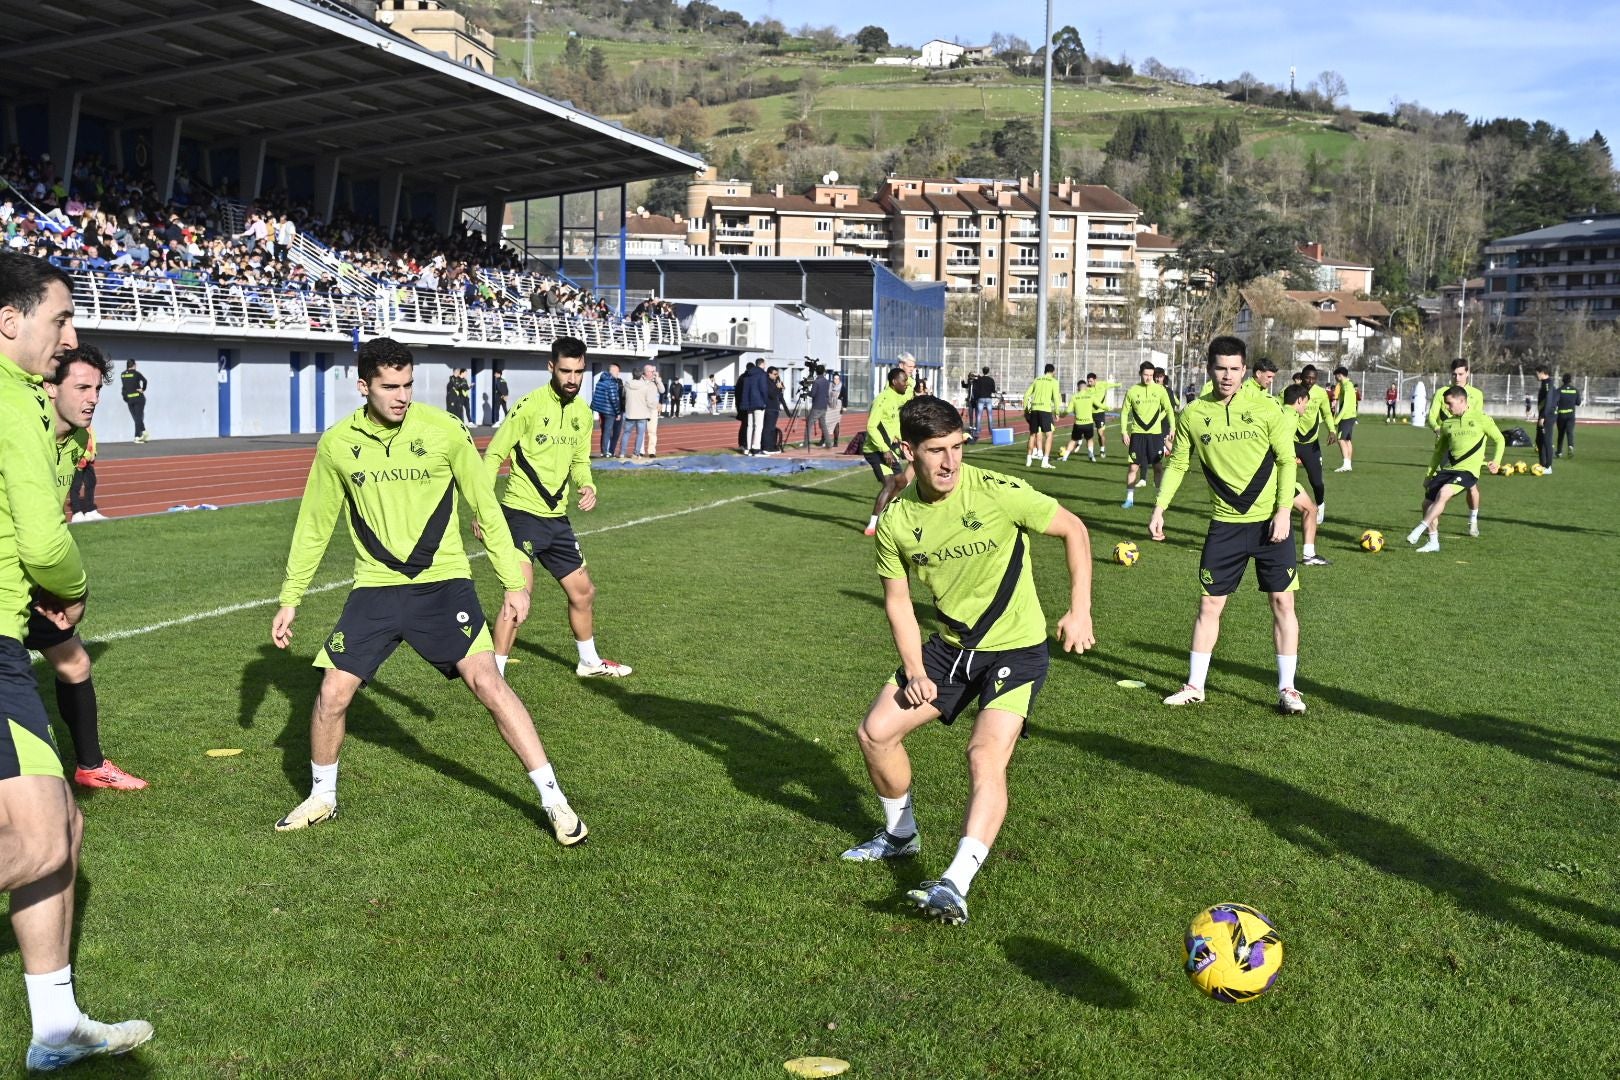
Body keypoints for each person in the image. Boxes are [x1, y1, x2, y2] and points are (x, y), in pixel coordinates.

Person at [269, 336, 588, 845]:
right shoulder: (336, 444)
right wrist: (292, 596)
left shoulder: (443, 431)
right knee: (332, 692)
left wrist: (512, 582)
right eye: (389, 386)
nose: (401, 396)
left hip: (443, 585)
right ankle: (322, 796)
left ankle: (555, 801)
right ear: (363, 386)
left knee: (489, 684)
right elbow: (314, 524)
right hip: (375, 587)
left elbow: (486, 506)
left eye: (409, 385)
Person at [840, 395, 1095, 925]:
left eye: (957, 446)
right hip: (951, 648)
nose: (951, 462)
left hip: (1017, 647)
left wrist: (1080, 610)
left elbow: (1074, 528)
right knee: (875, 732)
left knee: (984, 754)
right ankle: (900, 836)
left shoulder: (996, 492)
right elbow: (897, 602)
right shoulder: (896, 521)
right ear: (909, 451)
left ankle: (955, 882)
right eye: (937, 450)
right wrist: (914, 670)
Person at [0, 252, 153, 1068]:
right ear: (9, 319)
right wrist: (74, 589)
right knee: (43, 841)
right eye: (61, 318)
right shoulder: (13, 400)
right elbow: (43, 538)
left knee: (62, 826)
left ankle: (55, 1027)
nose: (71, 335)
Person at [1148, 336, 1306, 715]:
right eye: (1221, 368)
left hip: (1271, 523)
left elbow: (1287, 461)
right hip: (1225, 525)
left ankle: (1288, 688)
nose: (1228, 376)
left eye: (1235, 369)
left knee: (1283, 602)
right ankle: (1195, 686)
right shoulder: (1193, 415)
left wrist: (1284, 511)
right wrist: (1159, 507)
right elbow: (1179, 464)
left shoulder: (1268, 409)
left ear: (1244, 369)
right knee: (1209, 604)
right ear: (1209, 369)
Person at [481, 336, 631, 682]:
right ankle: (494, 676)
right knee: (519, 596)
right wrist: (482, 508)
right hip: (521, 515)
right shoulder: (530, 406)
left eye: (579, 371)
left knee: (583, 592)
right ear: (552, 367)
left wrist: (588, 484)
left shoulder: (582, 412)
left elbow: (580, 460)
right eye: (566, 371)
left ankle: (589, 661)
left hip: (557, 520)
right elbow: (494, 454)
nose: (572, 379)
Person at [36, 344, 145, 787]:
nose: (93, 398)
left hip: (31, 577)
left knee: (74, 663)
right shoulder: (24, 434)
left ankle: (91, 766)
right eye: (82, 387)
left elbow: (52, 518)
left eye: (97, 388)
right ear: (48, 389)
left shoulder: (79, 438)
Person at [1406, 385, 1503, 553]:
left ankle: (1419, 528)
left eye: (1450, 404)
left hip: (1469, 471)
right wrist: (1429, 474)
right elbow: (1439, 452)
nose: (1447, 407)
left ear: (1462, 401)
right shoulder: (1447, 424)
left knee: (1444, 493)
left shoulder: (1481, 418)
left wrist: (1497, 461)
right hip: (1449, 469)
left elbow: (1500, 439)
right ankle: (1433, 541)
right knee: (1426, 503)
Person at [1426, 360, 1485, 537]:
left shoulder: (1476, 394)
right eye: (1454, 374)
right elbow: (1431, 416)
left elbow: (1478, 421)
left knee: (1472, 488)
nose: (1457, 377)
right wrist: (1438, 429)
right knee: (1434, 488)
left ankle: (1473, 520)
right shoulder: (1441, 393)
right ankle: (1432, 528)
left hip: (1467, 451)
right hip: (1445, 447)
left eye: (1460, 374)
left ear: (1468, 373)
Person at [1282, 386, 1331, 567]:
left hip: (1277, 477)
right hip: (1277, 479)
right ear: (1300, 400)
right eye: (1306, 403)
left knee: (1310, 509)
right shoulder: (1290, 418)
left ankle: (1308, 555)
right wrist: (1288, 458)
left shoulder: (1281, 413)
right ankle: (1308, 555)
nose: (1307, 408)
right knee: (1309, 510)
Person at [861, 366, 910, 536]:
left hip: (888, 448)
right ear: (894, 382)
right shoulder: (882, 400)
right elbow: (871, 426)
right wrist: (884, 449)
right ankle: (873, 525)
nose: (907, 384)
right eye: (904, 381)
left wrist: (898, 438)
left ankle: (886, 516)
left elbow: (892, 423)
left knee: (902, 482)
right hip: (875, 450)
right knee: (890, 483)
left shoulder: (896, 397)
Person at [1121, 360, 1175, 509]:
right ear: (1140, 374)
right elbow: (1125, 412)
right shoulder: (1132, 390)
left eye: (1151, 375)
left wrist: (1172, 428)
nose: (1149, 378)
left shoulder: (1160, 390)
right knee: (1133, 467)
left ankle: (1159, 499)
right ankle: (1129, 499)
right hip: (1137, 435)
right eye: (1146, 375)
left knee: (1157, 467)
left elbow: (1169, 409)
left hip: (1155, 435)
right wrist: (1124, 431)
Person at [1295, 365, 1337, 523]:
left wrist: (1332, 430)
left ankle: (1320, 504)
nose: (1310, 381)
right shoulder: (1292, 391)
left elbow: (1326, 413)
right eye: (1307, 377)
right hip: (1291, 441)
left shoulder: (1320, 393)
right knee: (1284, 478)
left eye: (1313, 378)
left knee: (1317, 481)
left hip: (1311, 444)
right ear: (1302, 377)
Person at [1022, 364, 1060, 468]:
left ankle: (1028, 460)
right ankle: (1045, 461)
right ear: (1053, 372)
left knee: (1032, 435)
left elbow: (1026, 395)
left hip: (1034, 409)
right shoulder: (1054, 381)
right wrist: (1057, 412)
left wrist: (1026, 409)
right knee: (1049, 435)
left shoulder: (1037, 380)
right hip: (1045, 410)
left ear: (1045, 371)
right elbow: (1056, 398)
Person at [621, 365, 659, 461]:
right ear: (641, 375)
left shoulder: (627, 384)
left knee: (626, 433)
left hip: (630, 413)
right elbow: (648, 401)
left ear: (632, 375)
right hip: (642, 414)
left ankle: (622, 452)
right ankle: (636, 453)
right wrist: (655, 406)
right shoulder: (645, 387)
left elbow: (623, 396)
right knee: (640, 434)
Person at [590, 362, 625, 458]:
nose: (618, 374)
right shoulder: (611, 382)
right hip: (609, 411)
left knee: (605, 431)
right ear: (613, 371)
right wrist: (618, 412)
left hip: (602, 409)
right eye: (617, 372)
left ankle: (604, 450)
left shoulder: (601, 380)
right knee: (608, 431)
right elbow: (614, 399)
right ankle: (606, 451)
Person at [1058, 377, 1095, 463]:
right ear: (1085, 387)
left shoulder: (1074, 397)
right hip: (1088, 423)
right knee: (1089, 439)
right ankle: (1091, 456)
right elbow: (1099, 404)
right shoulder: (1090, 396)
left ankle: (1065, 457)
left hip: (1078, 423)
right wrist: (1107, 408)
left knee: (1073, 440)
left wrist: (1062, 415)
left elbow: (1068, 410)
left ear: (1078, 387)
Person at [737, 359, 768, 456]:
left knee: (749, 426)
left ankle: (748, 448)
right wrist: (765, 402)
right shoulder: (762, 374)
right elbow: (763, 389)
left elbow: (745, 391)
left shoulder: (747, 375)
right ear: (762, 364)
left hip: (749, 403)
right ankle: (756, 448)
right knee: (758, 426)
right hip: (758, 403)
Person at [1331, 366, 1358, 472]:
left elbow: (1345, 405)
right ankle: (1348, 465)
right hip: (1351, 416)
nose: (1335, 378)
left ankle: (1346, 464)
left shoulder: (1347, 386)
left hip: (1346, 417)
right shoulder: (1347, 385)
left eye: (1336, 376)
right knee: (1347, 440)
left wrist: (1337, 420)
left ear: (1339, 375)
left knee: (1340, 439)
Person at [1534, 365, 1557, 472]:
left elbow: (1548, 400)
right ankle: (1542, 465)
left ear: (1542, 372)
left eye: (1537, 373)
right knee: (1539, 440)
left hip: (1547, 416)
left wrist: (1543, 416)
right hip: (1543, 415)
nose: (1536, 375)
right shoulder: (1545, 383)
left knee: (1547, 440)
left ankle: (1548, 467)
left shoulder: (1548, 383)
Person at [119, 358, 147, 443]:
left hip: (130, 399)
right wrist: (143, 389)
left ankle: (139, 435)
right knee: (138, 417)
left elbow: (124, 387)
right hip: (138, 398)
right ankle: (141, 434)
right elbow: (145, 381)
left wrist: (125, 398)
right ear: (134, 365)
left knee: (136, 418)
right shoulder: (136, 373)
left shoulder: (123, 374)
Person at [804, 366, 831, 448]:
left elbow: (813, 394)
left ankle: (806, 443)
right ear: (823, 372)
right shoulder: (827, 382)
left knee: (809, 424)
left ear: (816, 372)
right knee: (823, 425)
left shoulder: (816, 382)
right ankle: (828, 443)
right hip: (824, 406)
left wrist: (807, 392)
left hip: (817, 406)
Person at [1555, 373, 1581, 458]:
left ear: (1563, 380)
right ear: (1570, 380)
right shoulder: (1575, 390)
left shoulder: (1559, 390)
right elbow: (1578, 403)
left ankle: (1559, 452)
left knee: (1561, 434)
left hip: (1561, 415)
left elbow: (1555, 402)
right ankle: (1570, 446)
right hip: (1571, 415)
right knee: (1570, 432)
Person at [763, 367, 786, 454]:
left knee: (772, 428)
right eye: (775, 374)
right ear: (769, 373)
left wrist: (780, 389)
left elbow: (777, 394)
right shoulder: (767, 382)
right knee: (768, 428)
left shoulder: (773, 381)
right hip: (770, 408)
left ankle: (771, 445)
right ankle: (766, 447)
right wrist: (778, 388)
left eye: (777, 374)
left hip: (774, 407)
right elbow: (772, 394)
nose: (776, 376)